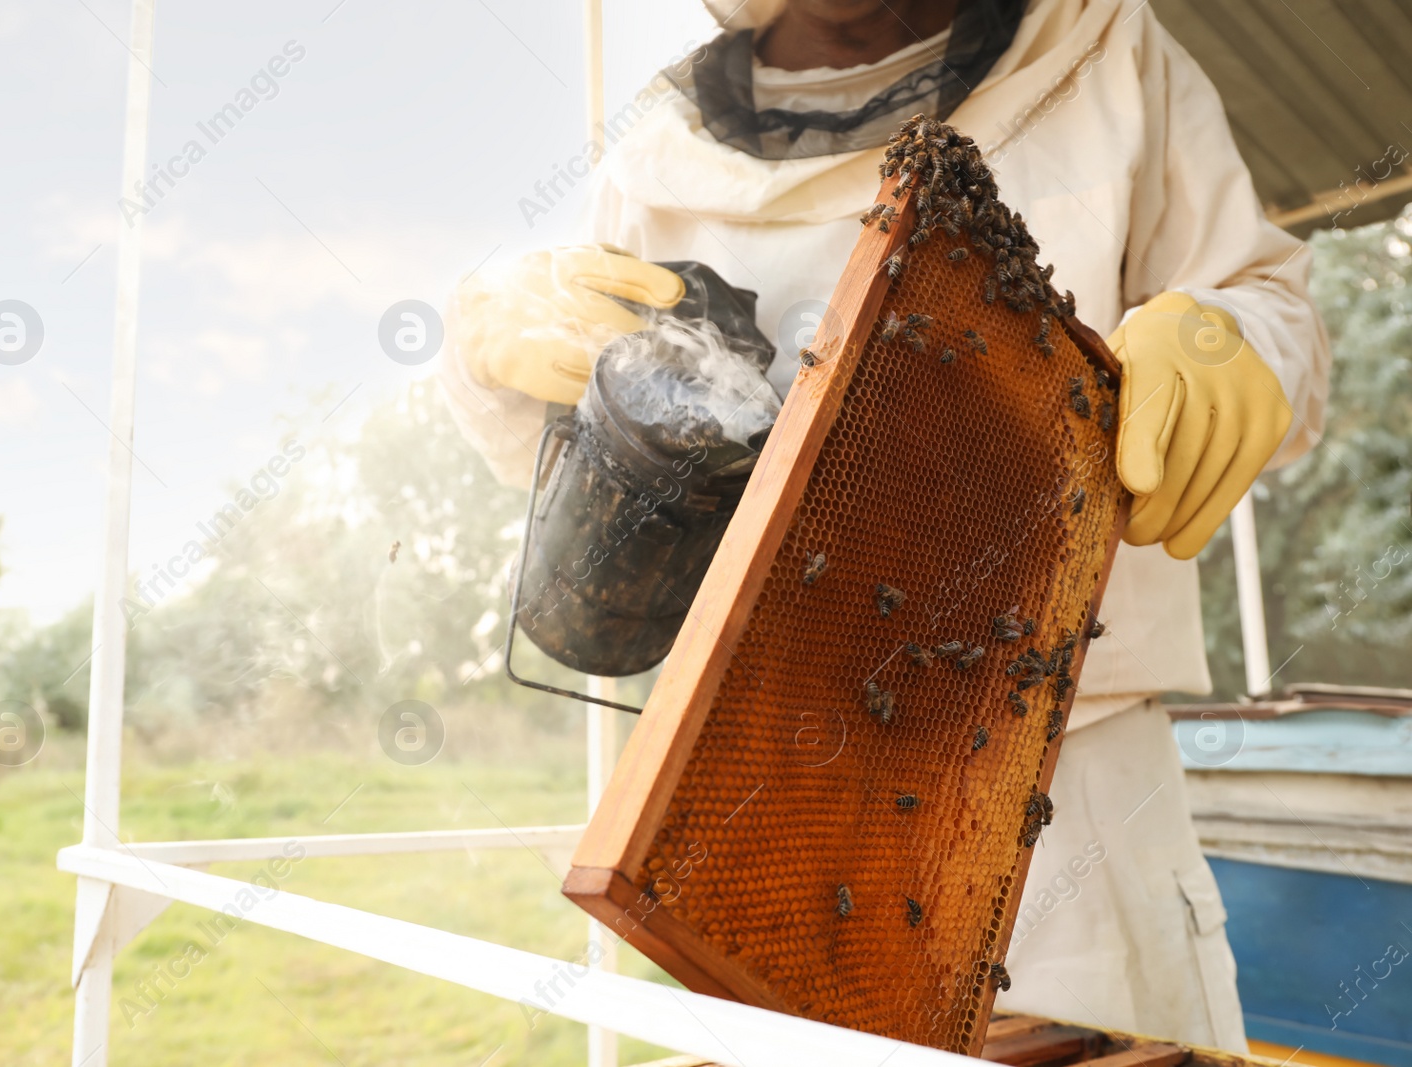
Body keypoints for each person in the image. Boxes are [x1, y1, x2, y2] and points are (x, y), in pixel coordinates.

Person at [440, 0, 1331, 1050]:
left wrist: (1235, 335)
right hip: (764, 785)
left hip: (1061, 785)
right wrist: (484, 340)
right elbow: (581, 441)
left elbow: (1274, 308)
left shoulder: (1109, 45)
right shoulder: (652, 146)